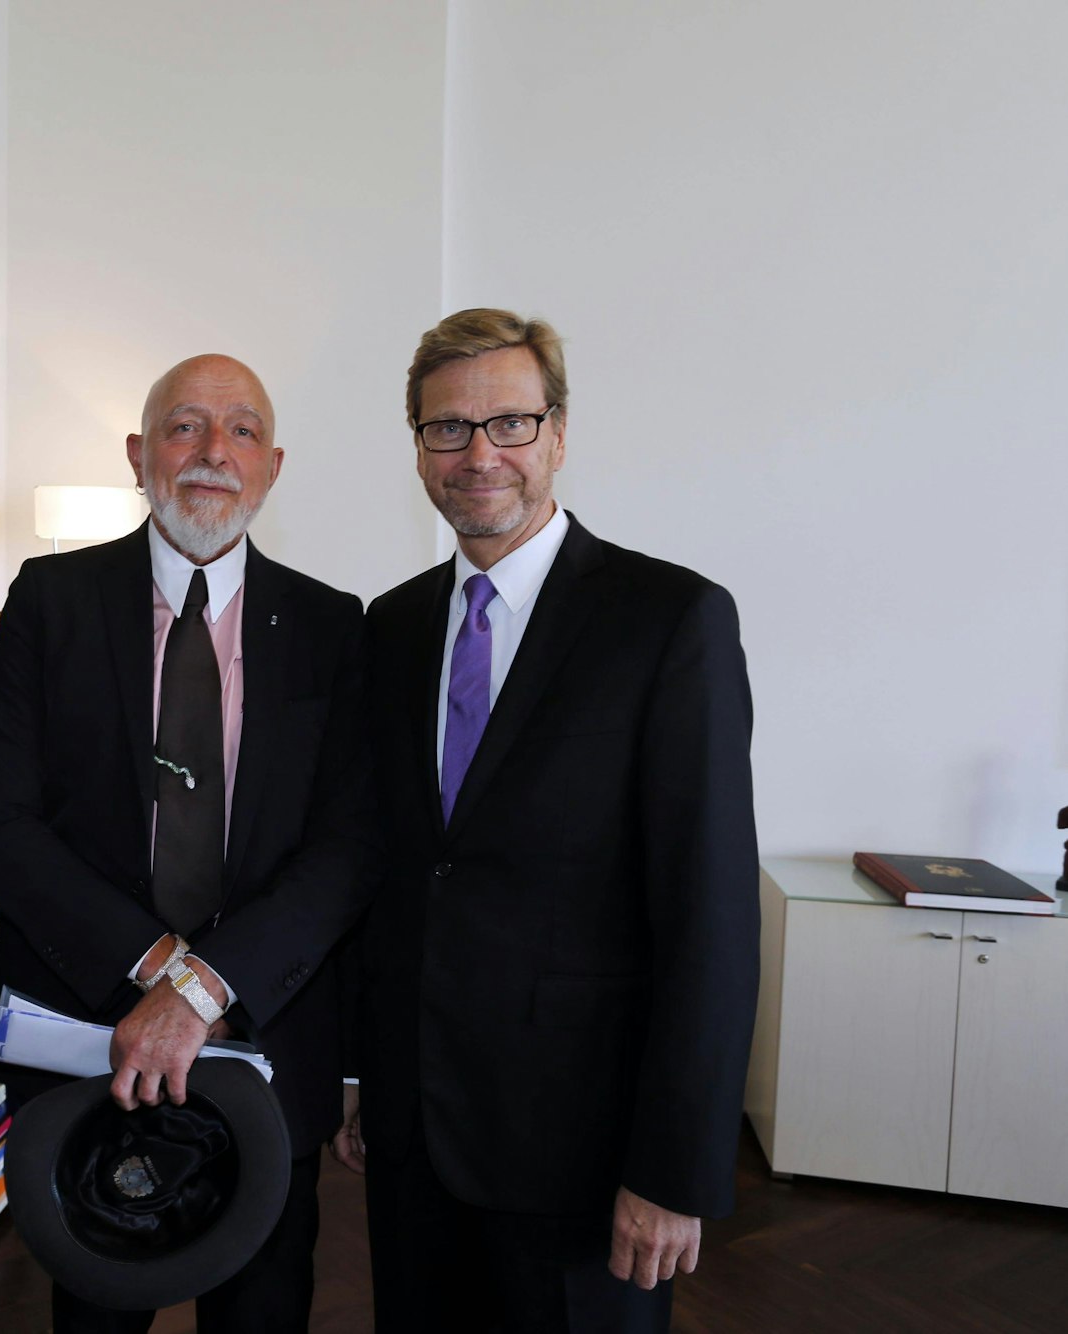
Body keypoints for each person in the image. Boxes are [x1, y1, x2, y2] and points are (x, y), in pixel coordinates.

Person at [339, 308, 758, 1332]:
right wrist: (358, 1069)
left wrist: (676, 1164)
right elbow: (386, 872)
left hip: (586, 1156)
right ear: (420, 449)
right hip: (413, 1139)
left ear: (558, 436)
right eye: (447, 429)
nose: (479, 454)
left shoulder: (669, 621)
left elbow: (710, 915)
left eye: (510, 424)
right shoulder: (388, 627)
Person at [0, 354, 380, 1333]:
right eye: (185, 425)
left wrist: (206, 986)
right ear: (138, 452)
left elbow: (351, 846)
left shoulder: (333, 626)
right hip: (85, 1034)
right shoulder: (49, 597)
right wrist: (157, 968)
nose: (211, 452)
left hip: (264, 1039)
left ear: (272, 466)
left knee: (263, 1310)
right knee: (96, 1309)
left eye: (240, 431)